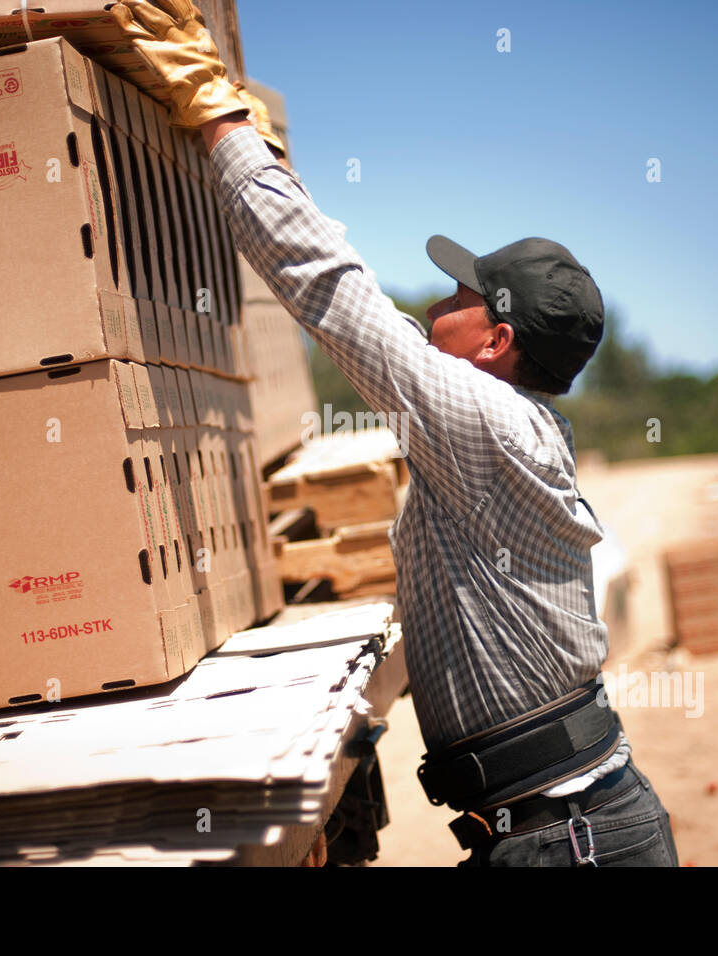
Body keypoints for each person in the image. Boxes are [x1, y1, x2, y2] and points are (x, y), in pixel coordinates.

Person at [111, 0, 679, 867]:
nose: (432, 304)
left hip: (569, 844)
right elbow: (372, 318)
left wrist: (217, 110)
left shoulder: (482, 422)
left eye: (457, 298)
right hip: (559, 829)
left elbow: (335, 294)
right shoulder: (496, 423)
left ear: (496, 342)